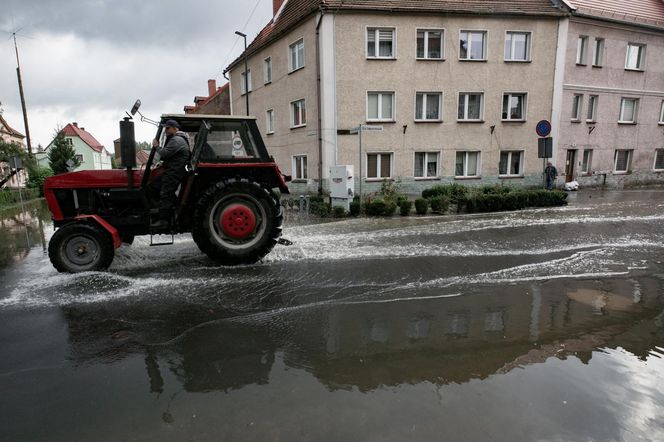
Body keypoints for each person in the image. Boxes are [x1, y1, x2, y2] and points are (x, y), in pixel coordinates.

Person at [151, 120, 190, 229]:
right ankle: (162, 211)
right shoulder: (178, 139)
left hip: (174, 172)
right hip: (174, 170)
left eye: (167, 128)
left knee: (165, 193)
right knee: (155, 186)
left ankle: (164, 220)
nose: (165, 131)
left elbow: (165, 153)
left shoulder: (176, 140)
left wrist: (156, 146)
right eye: (164, 129)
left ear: (174, 128)